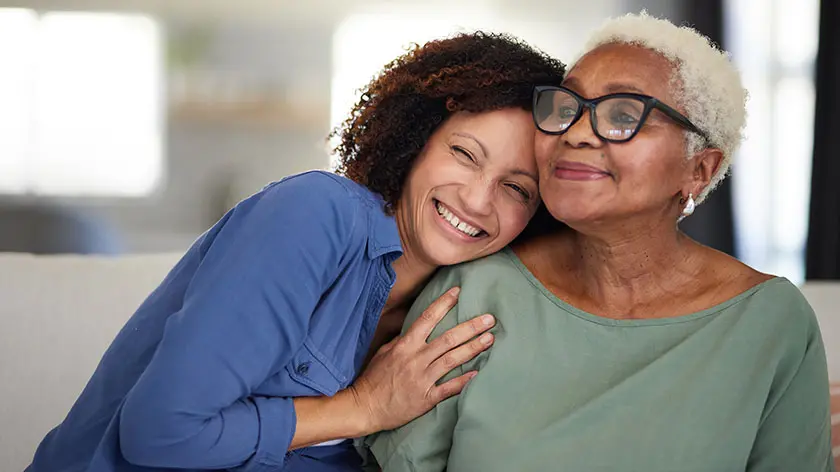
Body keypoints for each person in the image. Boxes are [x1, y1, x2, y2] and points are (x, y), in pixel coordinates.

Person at [26, 32, 566, 472]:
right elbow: (161, 432)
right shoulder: (316, 214)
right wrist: (363, 408)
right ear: (418, 137)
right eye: (464, 153)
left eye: (516, 188)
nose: (478, 199)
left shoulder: (461, 302)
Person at [366, 13, 835, 472]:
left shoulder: (771, 324)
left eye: (624, 115)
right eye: (565, 107)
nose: (577, 132)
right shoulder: (473, 292)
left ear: (700, 169)